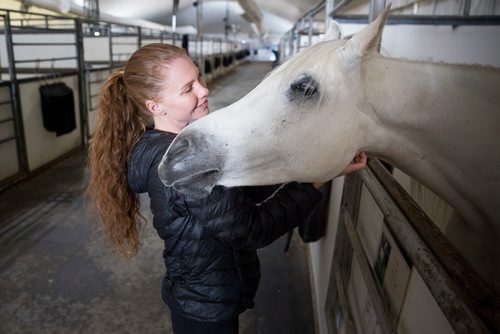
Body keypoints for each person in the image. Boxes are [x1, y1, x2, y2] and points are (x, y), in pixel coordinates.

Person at [86, 43, 366, 334]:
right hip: (206, 307)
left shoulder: (176, 144)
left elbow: (236, 195)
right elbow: (250, 229)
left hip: (199, 291)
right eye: (187, 89)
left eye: (199, 78)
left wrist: (303, 165)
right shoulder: (186, 161)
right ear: (155, 106)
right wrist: (314, 182)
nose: (204, 90)